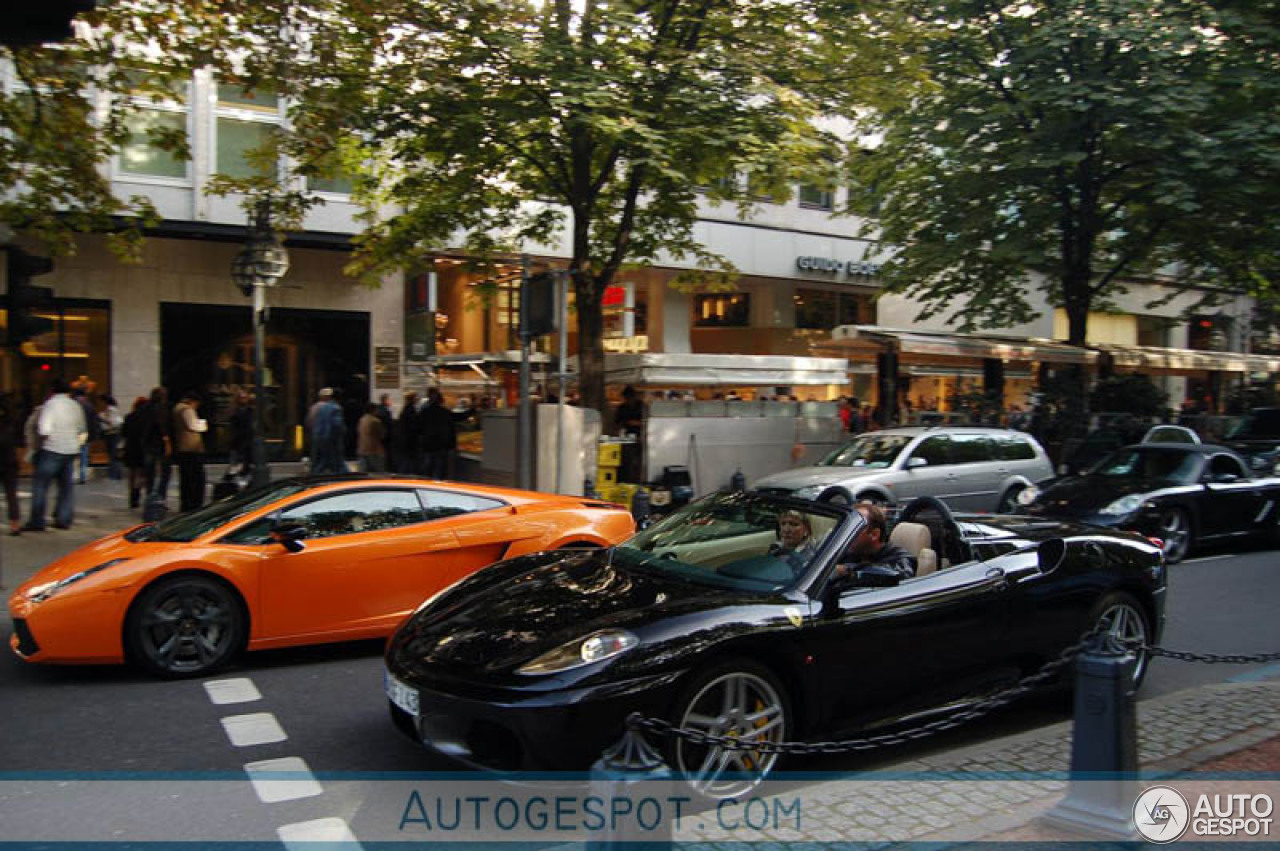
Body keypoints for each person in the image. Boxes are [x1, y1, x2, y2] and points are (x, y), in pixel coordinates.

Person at [24, 378, 86, 531]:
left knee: (41, 486)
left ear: (52, 390)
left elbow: (44, 429)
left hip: (52, 448)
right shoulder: (75, 406)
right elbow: (81, 428)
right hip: (70, 449)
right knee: (66, 487)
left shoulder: (50, 405)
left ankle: (37, 520)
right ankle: (63, 519)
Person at [833, 501, 917, 582]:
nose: (847, 534)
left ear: (874, 534)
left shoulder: (899, 557)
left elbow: (902, 575)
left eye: (853, 529)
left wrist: (846, 570)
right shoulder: (848, 553)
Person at [171, 390, 208, 512]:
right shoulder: (187, 410)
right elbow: (194, 426)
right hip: (191, 448)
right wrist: (203, 424)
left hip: (182, 448)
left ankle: (186, 503)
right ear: (194, 401)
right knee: (195, 478)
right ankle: (193, 504)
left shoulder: (177, 408)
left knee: (186, 478)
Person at [418, 387, 455, 479]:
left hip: (428, 445)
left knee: (428, 469)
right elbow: (452, 425)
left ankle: (427, 484)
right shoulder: (444, 412)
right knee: (439, 469)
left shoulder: (424, 412)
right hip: (440, 446)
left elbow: (419, 428)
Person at [768, 509, 819, 575]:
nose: (786, 530)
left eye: (793, 524)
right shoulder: (775, 548)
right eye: (783, 524)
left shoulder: (812, 556)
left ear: (806, 530)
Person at [309, 388, 347, 474]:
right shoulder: (336, 408)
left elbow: (311, 422)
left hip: (318, 438)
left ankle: (313, 477)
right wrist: (343, 432)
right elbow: (337, 425)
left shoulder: (322, 408)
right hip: (330, 439)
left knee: (321, 461)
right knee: (337, 463)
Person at [0, 392, 22, 537]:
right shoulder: (13, 420)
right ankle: (15, 524)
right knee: (11, 493)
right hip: (9, 459)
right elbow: (19, 441)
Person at [121, 396, 149, 508]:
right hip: (143, 448)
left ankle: (133, 496)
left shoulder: (129, 417)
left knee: (132, 474)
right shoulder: (147, 418)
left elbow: (124, 433)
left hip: (131, 448)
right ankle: (141, 492)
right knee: (143, 474)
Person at [614, 385, 645, 482]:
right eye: (626, 398)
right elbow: (617, 423)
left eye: (630, 397)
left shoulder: (642, 406)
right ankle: (625, 478)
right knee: (625, 459)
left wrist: (637, 423)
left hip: (640, 435)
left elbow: (647, 421)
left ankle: (636, 479)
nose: (628, 400)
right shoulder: (622, 408)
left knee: (638, 460)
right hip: (626, 436)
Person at [71, 386, 99, 484]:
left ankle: (71, 476)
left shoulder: (72, 406)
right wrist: (94, 436)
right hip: (84, 434)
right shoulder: (89, 406)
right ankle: (82, 476)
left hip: (73, 434)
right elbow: (94, 422)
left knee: (72, 455)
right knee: (83, 455)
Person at [98, 395, 124, 480]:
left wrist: (101, 418)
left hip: (112, 434)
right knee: (113, 454)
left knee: (112, 454)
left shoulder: (110, 410)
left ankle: (114, 474)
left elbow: (111, 422)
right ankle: (116, 473)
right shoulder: (111, 409)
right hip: (112, 434)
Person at [357, 402, 387, 473]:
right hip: (374, 450)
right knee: (379, 473)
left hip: (362, 449)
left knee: (363, 474)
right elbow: (382, 435)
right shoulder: (376, 421)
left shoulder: (362, 419)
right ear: (373, 410)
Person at [395, 392, 420, 474]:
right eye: (415, 397)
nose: (417, 399)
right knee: (408, 463)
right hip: (409, 442)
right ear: (412, 399)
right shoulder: (410, 410)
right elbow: (413, 426)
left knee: (405, 461)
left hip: (404, 441)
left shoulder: (405, 410)